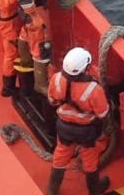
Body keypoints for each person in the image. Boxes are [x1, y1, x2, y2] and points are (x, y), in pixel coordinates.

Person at [46, 47, 111, 195]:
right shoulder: (94, 89)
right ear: (85, 68)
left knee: (60, 155)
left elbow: (52, 100)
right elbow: (103, 113)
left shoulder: (56, 79)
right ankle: (94, 189)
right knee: (90, 159)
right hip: (86, 131)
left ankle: (52, 189)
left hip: (64, 127)